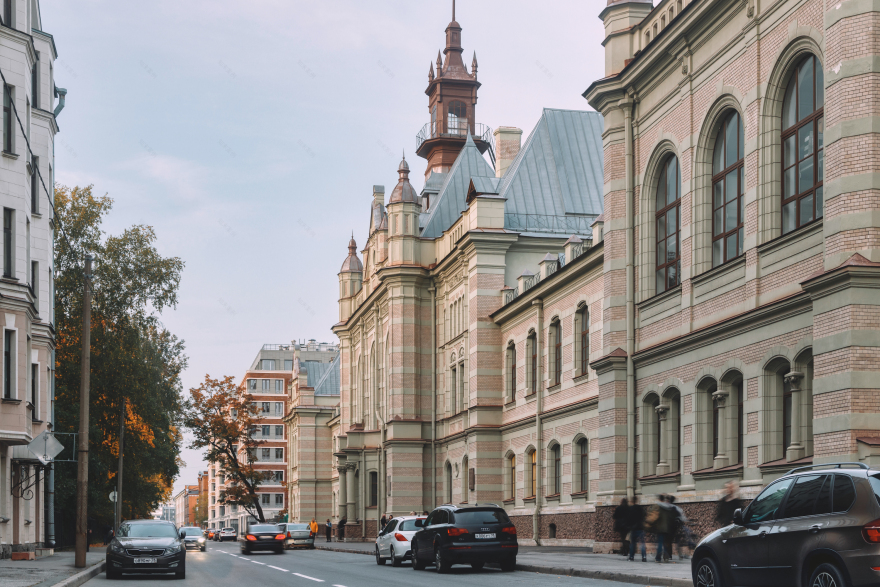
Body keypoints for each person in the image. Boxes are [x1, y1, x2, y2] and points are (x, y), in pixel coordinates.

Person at [628, 495, 647, 562]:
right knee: (642, 543)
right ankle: (644, 557)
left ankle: (631, 556)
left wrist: (629, 526)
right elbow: (644, 516)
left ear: (632, 501)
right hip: (640, 527)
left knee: (633, 543)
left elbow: (629, 518)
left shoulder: (631, 508)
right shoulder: (640, 508)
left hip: (633, 528)